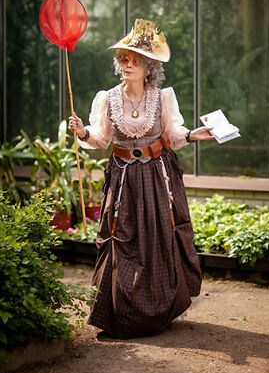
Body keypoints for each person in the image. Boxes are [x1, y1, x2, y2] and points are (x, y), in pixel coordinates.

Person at [68, 18, 213, 338]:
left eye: (136, 59)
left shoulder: (163, 98)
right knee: (120, 241)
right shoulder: (107, 98)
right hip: (122, 180)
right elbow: (101, 139)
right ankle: (119, 313)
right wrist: (83, 131)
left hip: (156, 175)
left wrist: (194, 135)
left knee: (157, 239)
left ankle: (158, 310)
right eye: (124, 58)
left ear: (149, 67)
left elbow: (173, 135)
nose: (128, 63)